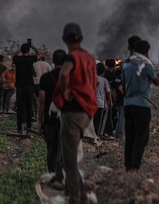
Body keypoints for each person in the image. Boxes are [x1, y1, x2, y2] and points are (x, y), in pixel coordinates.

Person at [53, 23, 97, 204]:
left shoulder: (71, 57)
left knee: (68, 161)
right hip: (87, 112)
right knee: (70, 156)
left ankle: (75, 199)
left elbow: (64, 74)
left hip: (73, 111)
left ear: (64, 40)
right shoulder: (89, 57)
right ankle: (83, 197)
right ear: (81, 38)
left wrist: (63, 92)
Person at [122, 40, 159, 172]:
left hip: (128, 105)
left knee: (130, 135)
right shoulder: (146, 65)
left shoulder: (126, 65)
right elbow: (157, 82)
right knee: (141, 135)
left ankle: (128, 165)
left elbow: (123, 84)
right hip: (142, 105)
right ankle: (135, 165)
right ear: (146, 52)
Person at [38, 49, 66, 182]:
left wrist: (40, 120)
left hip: (50, 118)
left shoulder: (45, 78)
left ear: (53, 61)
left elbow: (42, 101)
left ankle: (52, 174)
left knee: (51, 147)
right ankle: (60, 175)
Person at [13, 42, 40, 133]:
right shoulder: (31, 59)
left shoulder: (17, 59)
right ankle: (29, 127)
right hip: (29, 86)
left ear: (21, 50)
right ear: (28, 51)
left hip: (20, 86)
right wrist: (32, 46)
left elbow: (14, 54)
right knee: (29, 107)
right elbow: (38, 54)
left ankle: (19, 128)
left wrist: (20, 50)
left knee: (20, 107)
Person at [104, 59, 123, 138]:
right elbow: (111, 88)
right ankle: (109, 132)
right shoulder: (111, 75)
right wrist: (113, 99)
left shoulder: (105, 74)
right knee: (111, 115)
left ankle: (111, 131)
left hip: (106, 97)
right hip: (110, 98)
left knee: (113, 115)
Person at [94, 63, 111, 136]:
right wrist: (110, 101)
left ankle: (92, 135)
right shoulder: (104, 80)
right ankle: (97, 135)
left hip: (92, 103)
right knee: (99, 121)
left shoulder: (93, 78)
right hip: (100, 103)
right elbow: (108, 92)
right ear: (104, 72)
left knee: (93, 120)